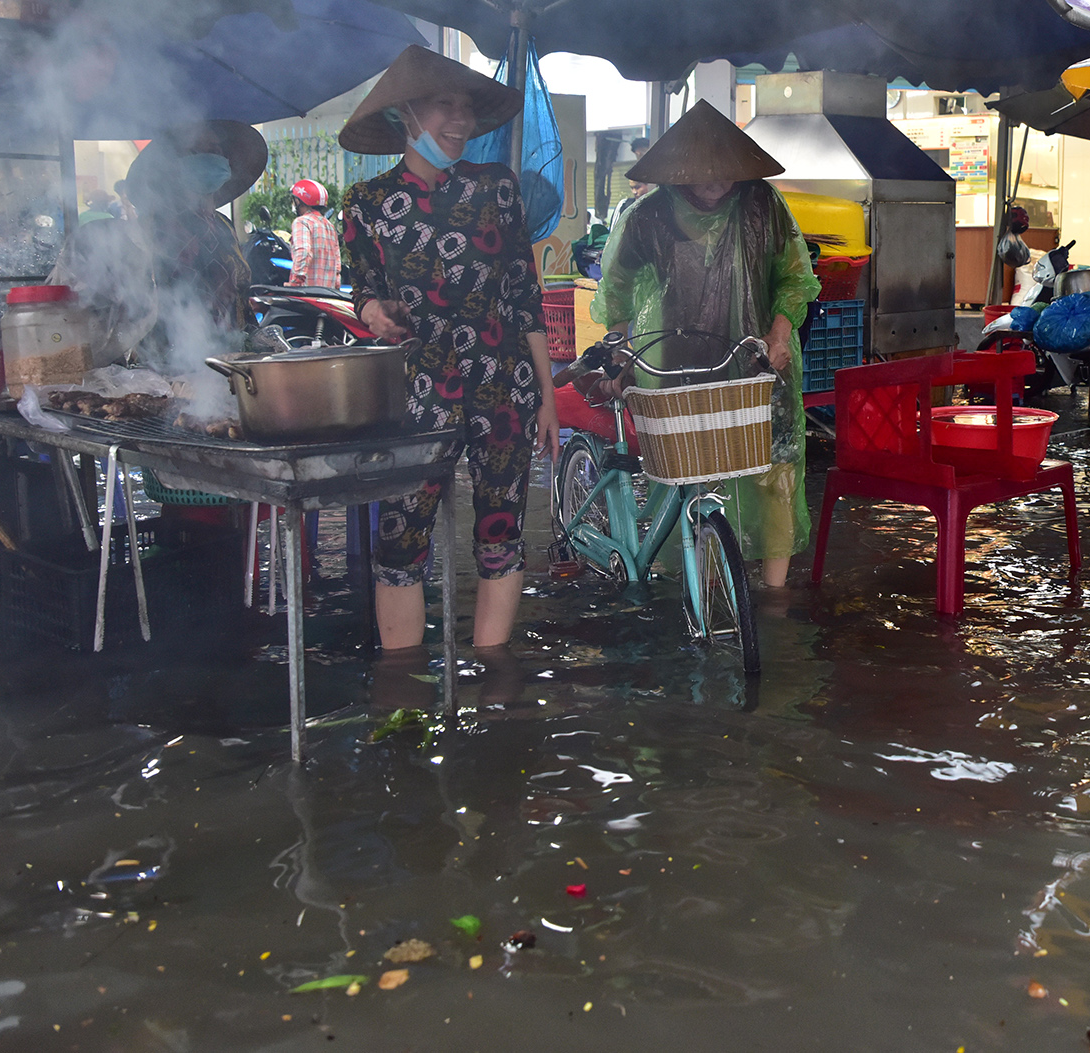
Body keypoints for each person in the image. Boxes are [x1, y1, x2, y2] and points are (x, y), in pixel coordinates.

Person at [338, 46, 558, 656]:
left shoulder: (497, 188)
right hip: (417, 393)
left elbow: (524, 293)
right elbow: (365, 293)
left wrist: (546, 397)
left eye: (465, 109)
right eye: (444, 107)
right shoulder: (366, 204)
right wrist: (371, 311)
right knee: (402, 537)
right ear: (406, 114)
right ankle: (401, 680)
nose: (458, 121)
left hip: (503, 386)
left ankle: (492, 678)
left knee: (499, 533)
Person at [594, 101, 820, 588]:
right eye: (704, 174)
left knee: (774, 465)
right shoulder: (646, 217)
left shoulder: (763, 205)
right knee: (695, 472)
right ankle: (709, 580)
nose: (718, 183)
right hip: (681, 361)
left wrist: (779, 336)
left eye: (727, 173)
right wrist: (618, 347)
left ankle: (774, 593)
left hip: (760, 358)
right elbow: (615, 292)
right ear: (678, 172)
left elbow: (796, 279)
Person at [119, 121, 263, 364]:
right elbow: (141, 300)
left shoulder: (223, 225)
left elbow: (239, 297)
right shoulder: (151, 227)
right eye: (200, 151)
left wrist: (255, 339)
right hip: (169, 362)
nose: (213, 157)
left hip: (230, 358)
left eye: (217, 151)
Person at [286, 178, 341, 290]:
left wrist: (295, 283)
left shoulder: (302, 222)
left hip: (307, 294)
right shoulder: (329, 226)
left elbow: (303, 252)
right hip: (327, 296)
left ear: (299, 201)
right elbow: (337, 265)